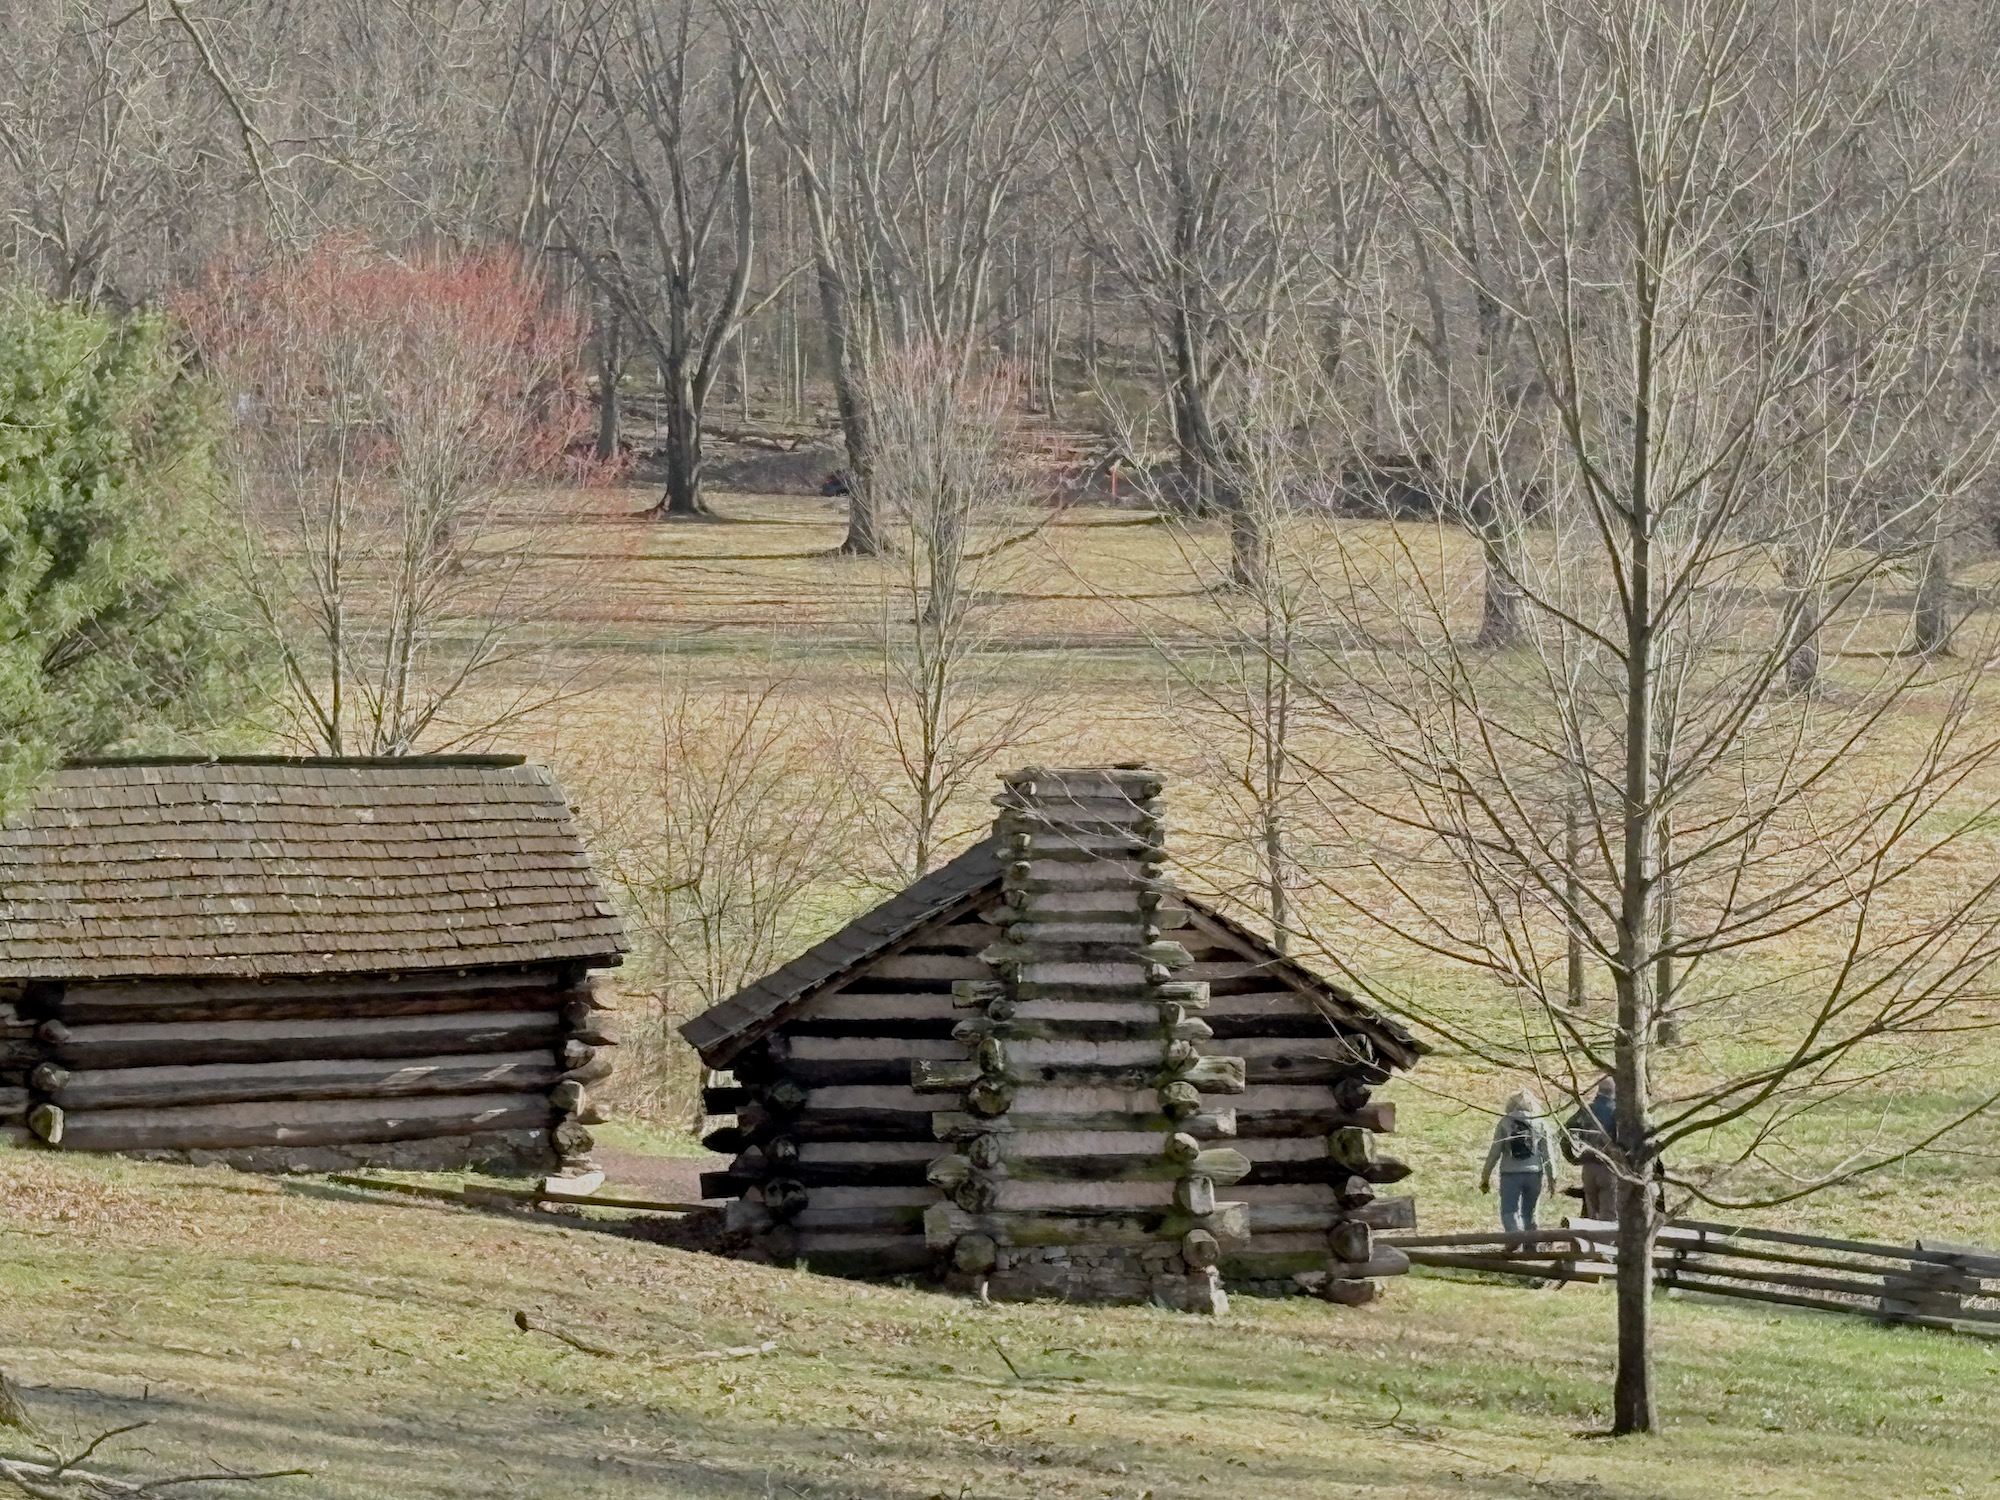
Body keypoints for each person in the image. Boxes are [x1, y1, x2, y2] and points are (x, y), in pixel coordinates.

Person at [1480, 1090, 1559, 1233]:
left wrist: (1485, 1177)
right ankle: (1531, 1247)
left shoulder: (1505, 1122)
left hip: (1509, 1173)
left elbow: (1494, 1152)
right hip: (1534, 1173)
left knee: (1509, 1211)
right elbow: (1548, 1153)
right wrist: (1552, 1178)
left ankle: (1513, 1236)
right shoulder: (1540, 1122)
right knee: (1531, 1212)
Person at [1563, 1075, 1618, 1222]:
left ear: (1598, 1091)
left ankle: (1590, 1243)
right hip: (1610, 1167)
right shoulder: (1617, 1112)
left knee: (1592, 1212)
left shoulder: (1587, 1109)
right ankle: (1606, 1244)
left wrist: (1572, 1157)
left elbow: (1566, 1130)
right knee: (1609, 1213)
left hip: (1588, 1167)